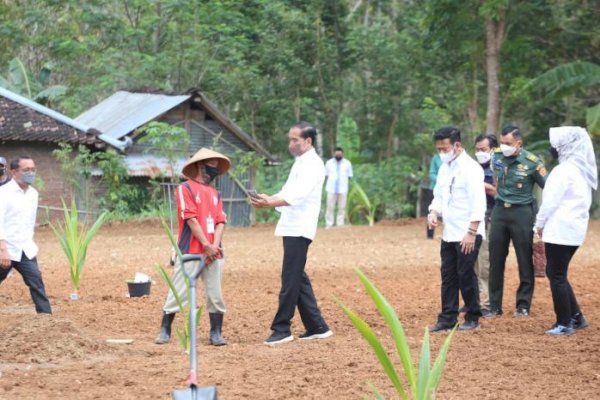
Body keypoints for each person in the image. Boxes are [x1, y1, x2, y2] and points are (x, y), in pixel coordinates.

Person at [250, 122, 332, 345]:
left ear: (308, 141)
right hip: (292, 225)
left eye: (295, 140)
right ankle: (317, 326)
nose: (291, 144)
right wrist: (268, 199)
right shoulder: (301, 163)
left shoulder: (313, 165)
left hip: (300, 227)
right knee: (297, 276)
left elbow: (298, 195)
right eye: (290, 139)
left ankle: (282, 328)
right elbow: (288, 192)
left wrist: (270, 203)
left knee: (290, 278)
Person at [155, 148, 230, 346]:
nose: (215, 169)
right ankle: (165, 328)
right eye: (212, 164)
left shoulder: (216, 194)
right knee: (178, 291)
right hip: (191, 250)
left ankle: (216, 332)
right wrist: (206, 244)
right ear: (200, 165)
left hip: (214, 252)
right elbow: (190, 218)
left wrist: (214, 245)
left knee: (215, 294)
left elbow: (221, 221)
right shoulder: (185, 189)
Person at [534, 126, 596, 336]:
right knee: (557, 272)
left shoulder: (562, 171)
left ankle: (564, 323)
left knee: (556, 275)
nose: (553, 148)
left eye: (555, 145)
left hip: (560, 230)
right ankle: (576, 317)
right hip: (575, 230)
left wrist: (538, 225)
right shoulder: (580, 170)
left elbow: (549, 202)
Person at [427, 127, 486, 332]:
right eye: (439, 149)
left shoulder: (471, 168)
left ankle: (472, 315)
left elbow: (479, 202)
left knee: (466, 274)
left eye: (445, 148)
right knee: (448, 276)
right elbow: (439, 195)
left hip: (467, 232)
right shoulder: (445, 168)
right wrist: (434, 212)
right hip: (449, 232)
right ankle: (448, 317)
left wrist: (471, 232)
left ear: (457, 145)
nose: (441, 153)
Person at [487, 126, 546, 318]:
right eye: (502, 142)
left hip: (522, 213)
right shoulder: (495, 155)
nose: (504, 147)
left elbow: (550, 187)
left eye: (508, 144)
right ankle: (494, 306)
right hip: (499, 211)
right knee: (495, 259)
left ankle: (523, 305)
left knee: (524, 259)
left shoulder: (532, 162)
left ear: (519, 143)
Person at [0, 156, 52, 314]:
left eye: (33, 170)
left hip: (24, 249)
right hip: (5, 248)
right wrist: (3, 249)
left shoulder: (33, 194)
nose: (31, 173)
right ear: (14, 172)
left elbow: (28, 223)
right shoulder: (4, 193)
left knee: (36, 281)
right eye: (26, 170)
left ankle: (47, 319)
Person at [473, 133, 498, 316]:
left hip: (489, 219)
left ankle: (488, 303)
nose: (480, 152)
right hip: (472, 219)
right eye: (477, 149)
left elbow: (499, 193)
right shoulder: (472, 168)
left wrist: (480, 185)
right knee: (471, 261)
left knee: (484, 263)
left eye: (483, 149)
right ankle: (473, 300)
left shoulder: (497, 168)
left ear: (492, 149)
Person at [324, 147, 353, 228]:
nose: (338, 155)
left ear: (342, 154)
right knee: (330, 207)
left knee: (342, 207)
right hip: (331, 188)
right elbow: (326, 175)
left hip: (343, 188)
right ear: (334, 154)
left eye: (339, 154)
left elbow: (349, 176)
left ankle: (340, 223)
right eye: (337, 154)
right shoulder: (329, 163)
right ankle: (329, 224)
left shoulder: (347, 163)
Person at [426, 153, 443, 239]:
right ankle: (430, 234)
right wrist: (441, 180)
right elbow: (431, 173)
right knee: (432, 211)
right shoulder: (435, 158)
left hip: (448, 190)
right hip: (434, 188)